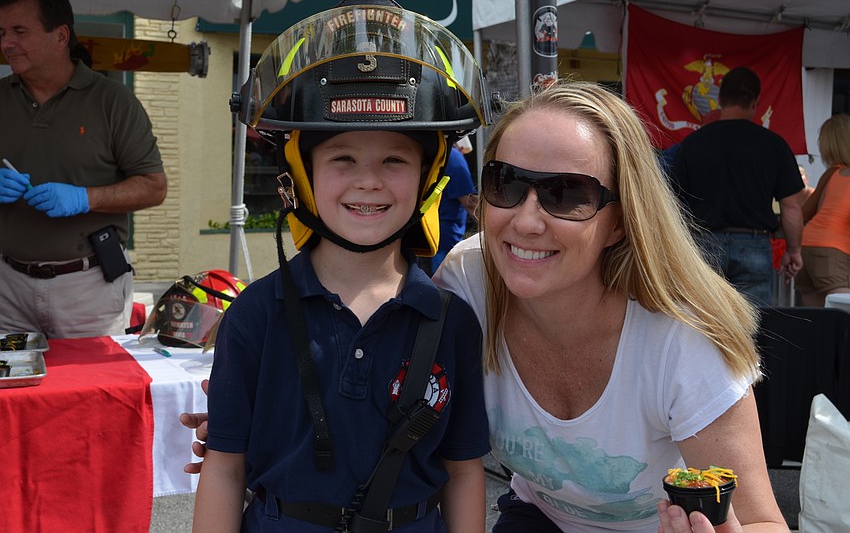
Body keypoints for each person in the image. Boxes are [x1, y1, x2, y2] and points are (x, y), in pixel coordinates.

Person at [183, 80, 789, 532]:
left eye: (567, 194)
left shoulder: (680, 345)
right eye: (506, 183)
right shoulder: (468, 282)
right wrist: (258, 410)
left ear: (621, 222)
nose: (526, 220)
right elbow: (373, 366)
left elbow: (765, 522)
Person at [190, 0, 491, 533]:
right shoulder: (254, 316)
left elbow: (464, 471)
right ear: (300, 174)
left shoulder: (451, 321)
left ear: (429, 178)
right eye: (343, 157)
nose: (369, 181)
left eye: (395, 160)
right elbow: (225, 469)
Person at [0, 0, 166, 338]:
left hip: (88, 289)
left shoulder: (113, 102)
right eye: (1, 32)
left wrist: (83, 198)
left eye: (18, 31)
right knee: (11, 394)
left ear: (60, 36)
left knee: (91, 391)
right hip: (7, 288)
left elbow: (154, 188)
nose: (5, 43)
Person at [669, 66, 805, 306]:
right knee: (751, 332)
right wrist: (794, 250)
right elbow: (791, 207)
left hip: (703, 245)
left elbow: (673, 203)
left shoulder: (692, 144)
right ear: (755, 103)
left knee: (702, 327)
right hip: (753, 245)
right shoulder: (774, 145)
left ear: (720, 100)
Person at [795, 115, 850, 307]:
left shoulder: (832, 172)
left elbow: (803, 214)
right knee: (843, 312)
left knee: (816, 324)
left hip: (806, 249)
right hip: (832, 253)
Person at [429, 140, 477, 274]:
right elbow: (470, 203)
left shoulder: (437, 155)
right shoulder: (455, 157)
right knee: (446, 288)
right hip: (448, 239)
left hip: (433, 233)